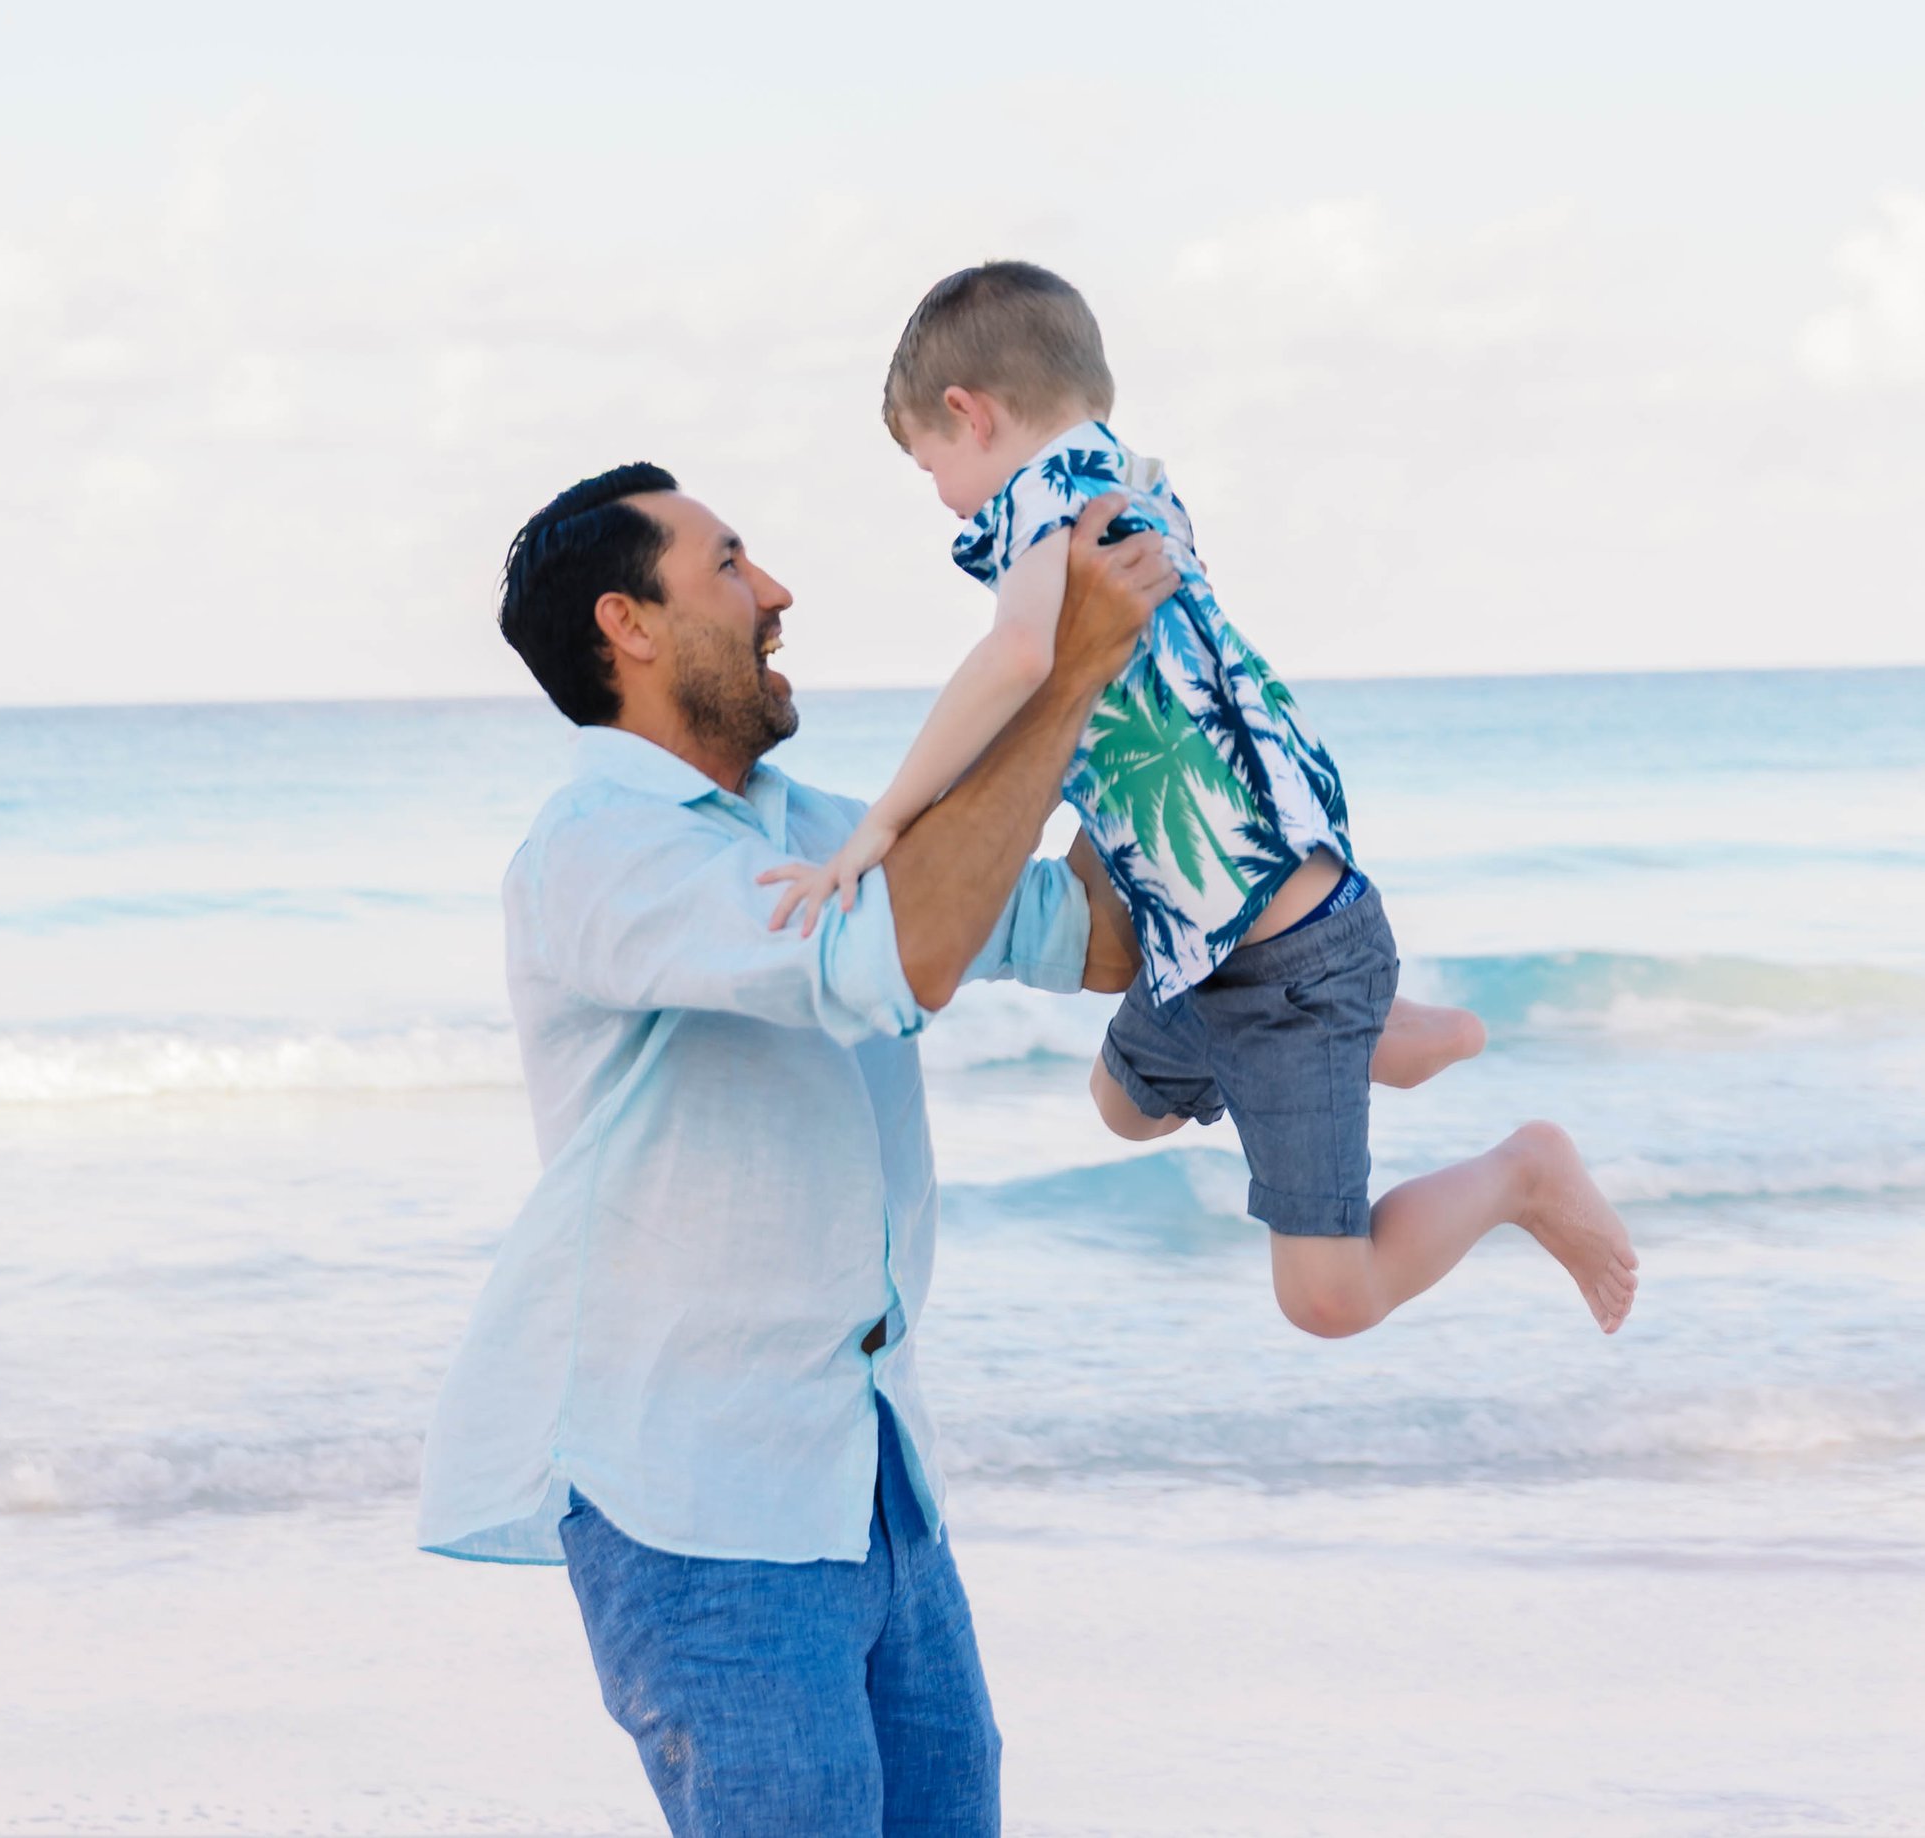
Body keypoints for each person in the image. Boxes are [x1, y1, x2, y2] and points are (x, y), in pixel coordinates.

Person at [418, 456, 1179, 1838]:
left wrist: (1158, 686)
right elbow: (891, 957)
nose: (776, 593)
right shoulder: (597, 852)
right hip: (700, 1505)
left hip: (873, 1479)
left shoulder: (821, 830)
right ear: (629, 626)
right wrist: (1056, 677)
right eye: (729, 565)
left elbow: (1091, 934)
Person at [760, 260, 1640, 1343]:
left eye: (926, 461)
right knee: (1122, 1103)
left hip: (1287, 960)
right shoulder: (1138, 482)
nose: (939, 493)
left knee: (1326, 1297)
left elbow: (1014, 660)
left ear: (968, 414)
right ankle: (1380, 1032)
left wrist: (879, 824)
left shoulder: (1048, 501)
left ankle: (1522, 1170)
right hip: (1215, 942)